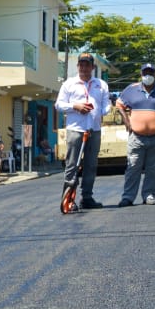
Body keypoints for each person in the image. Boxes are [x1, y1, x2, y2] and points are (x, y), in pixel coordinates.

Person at [55, 52, 111, 209]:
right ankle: (68, 199)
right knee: (72, 164)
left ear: (93, 67)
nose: (84, 68)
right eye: (81, 64)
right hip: (75, 130)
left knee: (91, 165)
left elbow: (107, 105)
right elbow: (59, 105)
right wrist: (75, 106)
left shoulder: (101, 85)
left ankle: (87, 197)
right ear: (78, 66)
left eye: (87, 65)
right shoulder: (69, 84)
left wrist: (100, 111)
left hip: (94, 129)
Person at [116, 63, 155, 207]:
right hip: (137, 137)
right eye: (146, 73)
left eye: (151, 73)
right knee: (133, 167)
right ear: (141, 74)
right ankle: (128, 197)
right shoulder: (131, 90)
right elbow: (119, 104)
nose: (148, 76)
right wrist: (126, 120)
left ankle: (149, 195)